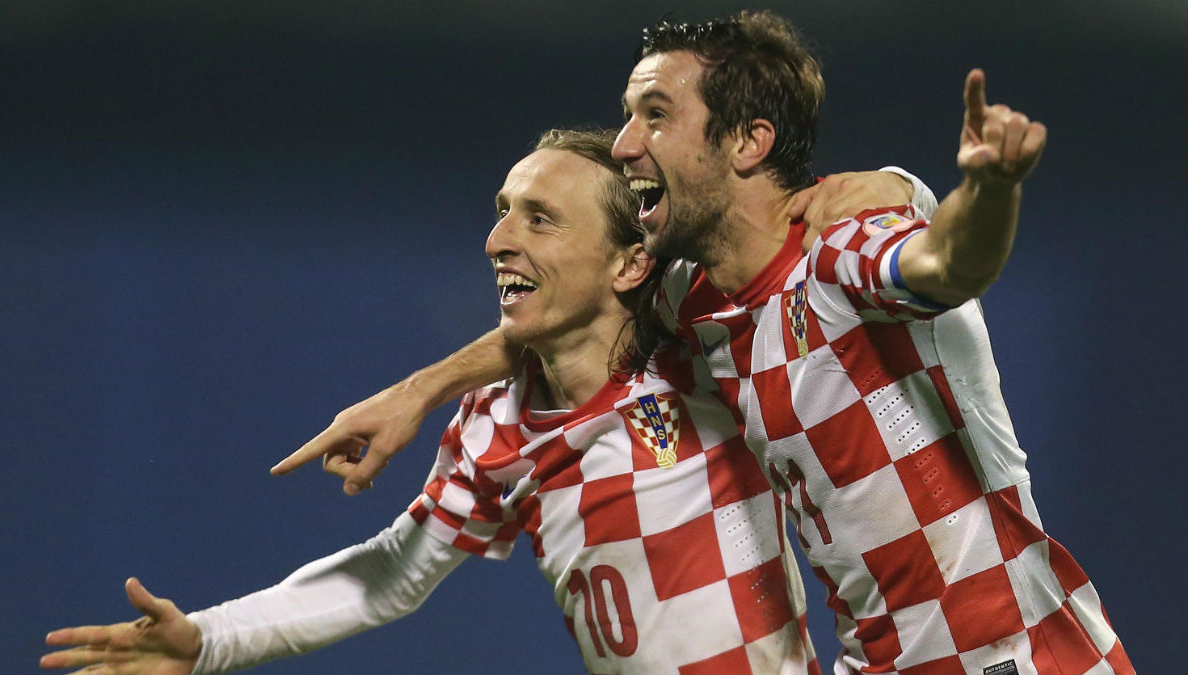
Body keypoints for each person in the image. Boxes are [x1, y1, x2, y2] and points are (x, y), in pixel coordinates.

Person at [273, 11, 1133, 675]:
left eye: (655, 115)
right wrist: (419, 390)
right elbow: (570, 306)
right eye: (626, 116)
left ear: (749, 141)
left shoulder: (840, 246)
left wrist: (991, 189)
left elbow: (946, 262)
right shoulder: (696, 300)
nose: (624, 146)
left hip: (1016, 655)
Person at [44, 128, 891, 675]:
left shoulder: (705, 356)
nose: (498, 240)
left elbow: (796, 251)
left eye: (541, 218)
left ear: (632, 264)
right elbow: (388, 577)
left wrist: (894, 186)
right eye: (501, 213)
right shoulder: (495, 423)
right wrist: (209, 640)